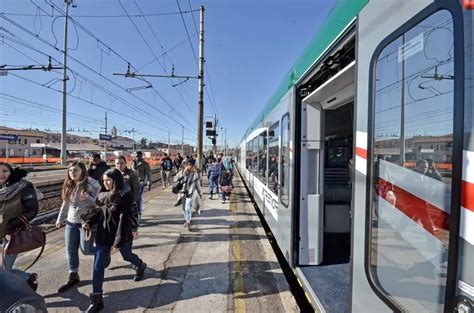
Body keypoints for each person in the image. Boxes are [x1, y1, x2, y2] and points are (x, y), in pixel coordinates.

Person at [82, 168, 147, 312]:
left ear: (115, 180)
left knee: (127, 255)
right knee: (98, 265)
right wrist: (89, 221)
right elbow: (99, 210)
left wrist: (118, 243)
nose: (105, 183)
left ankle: (140, 266)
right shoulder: (103, 193)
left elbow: (124, 220)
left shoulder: (125, 195)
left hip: (121, 232)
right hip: (103, 233)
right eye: (104, 180)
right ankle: (97, 300)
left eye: (108, 180)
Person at [56, 161, 101, 293]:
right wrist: (60, 219)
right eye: (70, 171)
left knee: (86, 250)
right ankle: (73, 274)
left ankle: (103, 254)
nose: (72, 173)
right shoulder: (68, 184)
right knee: (70, 250)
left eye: (75, 170)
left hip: (86, 223)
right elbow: (65, 204)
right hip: (71, 222)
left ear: (82, 171)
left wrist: (89, 199)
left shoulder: (92, 184)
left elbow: (101, 203)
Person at [0, 162, 39, 290]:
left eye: (5, 171)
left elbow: (33, 210)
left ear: (11, 172)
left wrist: (12, 224)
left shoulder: (23, 187)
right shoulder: (1, 189)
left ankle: (28, 278)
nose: (1, 174)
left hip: (11, 235)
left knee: (4, 271)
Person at [174, 161, 202, 228]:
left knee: (187, 208)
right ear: (185, 166)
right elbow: (175, 179)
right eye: (187, 165)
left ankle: (188, 221)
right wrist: (183, 174)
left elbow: (197, 184)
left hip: (190, 193)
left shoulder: (194, 174)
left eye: (190, 165)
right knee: (184, 209)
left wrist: (200, 193)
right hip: (182, 193)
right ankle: (187, 220)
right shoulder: (181, 172)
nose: (189, 166)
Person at [115, 156, 140, 227]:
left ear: (126, 163)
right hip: (117, 203)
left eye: (121, 163)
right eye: (117, 163)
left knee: (130, 223)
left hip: (128, 202)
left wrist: (133, 201)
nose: (119, 165)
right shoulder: (113, 174)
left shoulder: (132, 174)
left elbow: (136, 188)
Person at [130, 151, 151, 222]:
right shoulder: (132, 163)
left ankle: (138, 214)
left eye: (138, 156)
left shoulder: (145, 164)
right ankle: (133, 213)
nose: (137, 157)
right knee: (132, 199)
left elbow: (148, 174)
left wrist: (149, 183)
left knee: (138, 198)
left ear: (141, 156)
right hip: (131, 182)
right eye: (136, 156)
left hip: (140, 183)